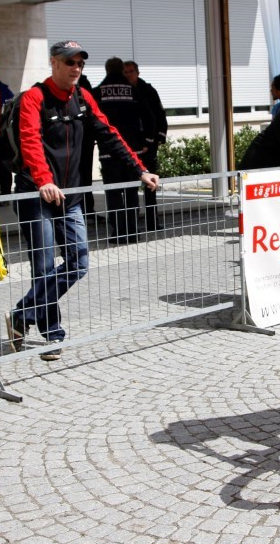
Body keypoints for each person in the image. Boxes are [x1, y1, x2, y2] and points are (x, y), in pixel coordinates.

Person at [9, 40, 158, 361]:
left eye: (80, 63)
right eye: (69, 62)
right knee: (45, 268)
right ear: (53, 63)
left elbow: (110, 134)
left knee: (78, 263)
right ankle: (52, 336)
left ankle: (22, 314)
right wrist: (43, 180)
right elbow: (30, 141)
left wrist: (140, 170)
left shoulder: (83, 98)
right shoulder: (35, 98)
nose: (76, 68)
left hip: (72, 197)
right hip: (37, 196)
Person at [94, 57, 156, 242]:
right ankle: (132, 231)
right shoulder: (133, 91)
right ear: (121, 70)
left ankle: (119, 232)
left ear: (106, 71)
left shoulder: (97, 92)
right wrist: (148, 140)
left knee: (113, 192)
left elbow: (90, 120)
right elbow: (149, 115)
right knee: (131, 191)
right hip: (132, 150)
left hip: (108, 150)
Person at [123, 60, 168, 230]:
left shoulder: (148, 90)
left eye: (131, 71)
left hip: (149, 146)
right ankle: (133, 224)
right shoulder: (122, 93)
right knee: (131, 187)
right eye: (125, 72)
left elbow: (159, 116)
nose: (128, 75)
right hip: (130, 147)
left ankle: (152, 222)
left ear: (138, 72)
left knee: (151, 186)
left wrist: (156, 139)